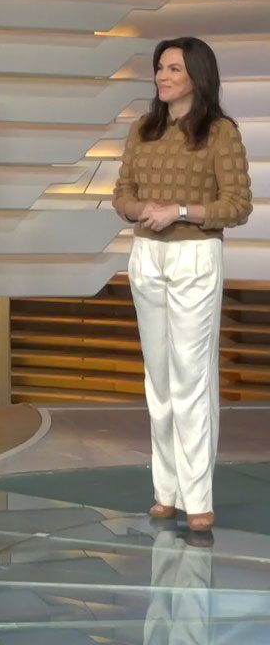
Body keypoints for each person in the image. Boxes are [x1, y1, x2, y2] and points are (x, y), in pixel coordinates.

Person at [113, 36, 253, 534]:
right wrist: (140, 210)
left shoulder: (220, 133)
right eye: (159, 68)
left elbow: (237, 205)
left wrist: (181, 211)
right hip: (147, 256)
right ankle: (165, 490)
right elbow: (121, 193)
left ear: (197, 74)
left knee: (192, 379)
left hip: (196, 255)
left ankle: (198, 497)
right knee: (159, 379)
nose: (162, 76)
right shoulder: (142, 130)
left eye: (172, 68)